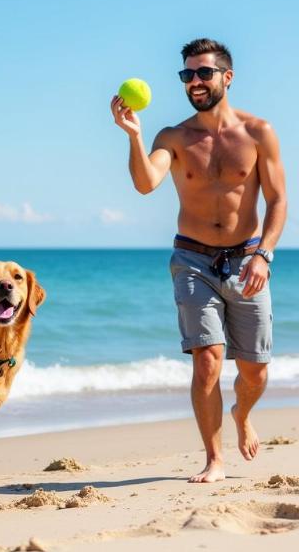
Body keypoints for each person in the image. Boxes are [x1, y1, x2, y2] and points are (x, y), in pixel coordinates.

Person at [111, 38, 287, 482]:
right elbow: (146, 183)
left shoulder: (258, 132)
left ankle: (242, 414)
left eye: (203, 73)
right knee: (206, 358)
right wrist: (134, 136)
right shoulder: (173, 136)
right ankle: (214, 459)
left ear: (227, 77)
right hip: (191, 259)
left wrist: (264, 254)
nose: (194, 82)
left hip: (248, 259)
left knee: (255, 371)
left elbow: (278, 200)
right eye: (187, 74)